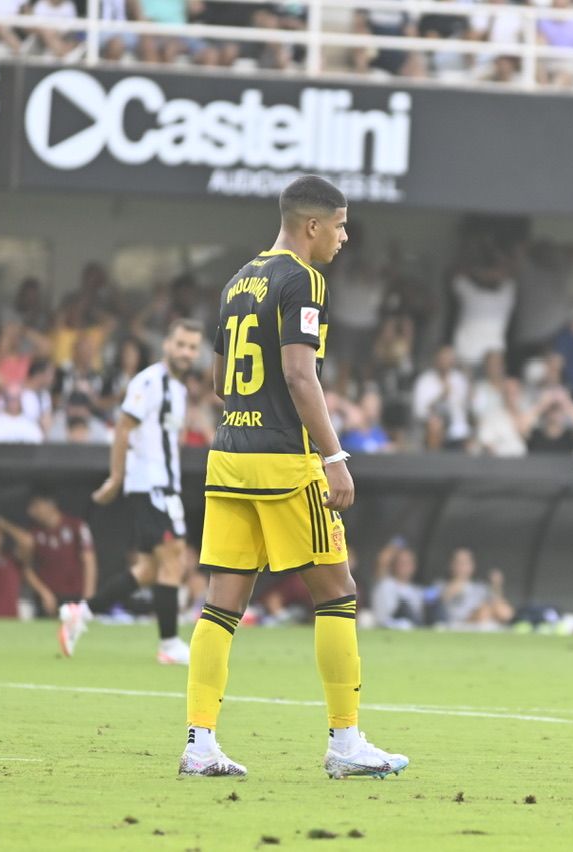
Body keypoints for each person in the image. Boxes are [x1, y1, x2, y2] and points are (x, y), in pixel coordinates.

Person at [177, 176, 408, 780]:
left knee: (220, 605)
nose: (344, 235)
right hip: (285, 463)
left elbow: (225, 383)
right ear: (312, 226)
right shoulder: (303, 279)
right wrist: (335, 457)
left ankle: (200, 744)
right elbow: (301, 376)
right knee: (337, 593)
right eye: (339, 224)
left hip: (230, 459)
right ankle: (345, 742)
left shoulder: (239, 279)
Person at [59, 319, 204, 665]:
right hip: (150, 483)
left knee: (151, 569)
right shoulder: (149, 381)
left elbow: (175, 439)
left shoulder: (180, 391)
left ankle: (81, 613)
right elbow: (124, 426)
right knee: (174, 556)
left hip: (166, 483)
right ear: (167, 344)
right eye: (181, 344)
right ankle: (169, 645)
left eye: (192, 347)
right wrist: (116, 477)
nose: (186, 352)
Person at [23, 489, 97, 617]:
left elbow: (89, 562)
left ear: (50, 504)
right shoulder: (33, 533)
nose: (31, 512)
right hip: (47, 599)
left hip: (74, 597)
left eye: (36, 506)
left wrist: (88, 600)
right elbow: (26, 568)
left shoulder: (77, 526)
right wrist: (44, 593)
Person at [434, 548, 514, 628]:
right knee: (484, 611)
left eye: (466, 563)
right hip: (458, 622)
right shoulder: (441, 584)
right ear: (451, 565)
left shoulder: (480, 587)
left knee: (501, 609)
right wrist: (453, 587)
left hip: (483, 618)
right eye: (458, 562)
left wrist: (496, 586)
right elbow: (431, 600)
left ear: (472, 565)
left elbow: (501, 607)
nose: (462, 566)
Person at [370, 539, 426, 629]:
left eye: (408, 563)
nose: (404, 566)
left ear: (414, 566)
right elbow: (382, 562)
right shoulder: (385, 584)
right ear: (394, 565)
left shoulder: (416, 590)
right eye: (401, 562)